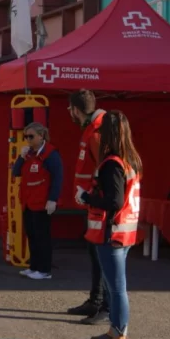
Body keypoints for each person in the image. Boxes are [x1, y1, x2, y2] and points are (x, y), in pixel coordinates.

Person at [78, 110, 141, 339]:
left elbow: (113, 201)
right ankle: (114, 333)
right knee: (117, 288)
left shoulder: (112, 163)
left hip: (111, 233)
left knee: (116, 290)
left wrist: (86, 197)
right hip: (124, 233)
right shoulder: (130, 160)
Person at [66, 89, 111, 326]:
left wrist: (91, 194)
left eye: (70, 110)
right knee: (94, 253)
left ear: (75, 109)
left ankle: (105, 305)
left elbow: (107, 169)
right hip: (92, 203)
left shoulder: (97, 132)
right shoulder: (93, 129)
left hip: (99, 204)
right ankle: (96, 299)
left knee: (101, 255)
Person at [11, 122, 64, 280]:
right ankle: (34, 266)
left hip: (42, 202)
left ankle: (44, 269)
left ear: (41, 136)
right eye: (25, 136)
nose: (28, 139)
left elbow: (57, 177)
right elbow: (16, 172)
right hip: (28, 201)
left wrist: (53, 199)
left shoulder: (50, 154)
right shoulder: (29, 154)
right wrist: (21, 157)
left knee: (42, 236)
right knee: (32, 235)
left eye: (31, 136)